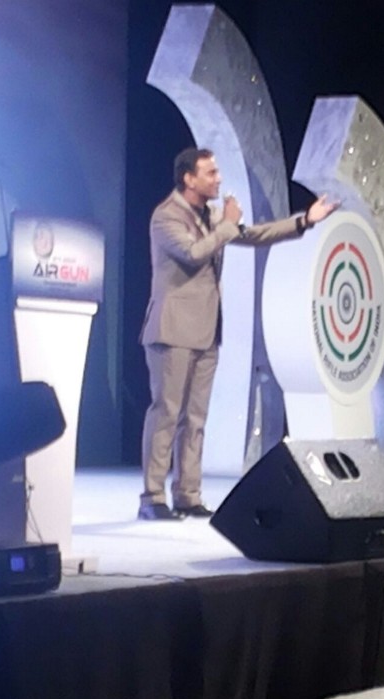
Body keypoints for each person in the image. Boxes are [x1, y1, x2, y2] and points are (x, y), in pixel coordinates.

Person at [138, 146, 339, 520]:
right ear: (189, 179)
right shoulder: (166, 216)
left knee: (196, 419)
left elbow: (255, 234)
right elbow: (194, 253)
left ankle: (188, 494)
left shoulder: (213, 216)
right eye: (210, 173)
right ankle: (152, 497)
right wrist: (228, 224)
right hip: (172, 329)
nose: (218, 179)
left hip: (206, 330)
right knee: (166, 414)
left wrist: (305, 220)